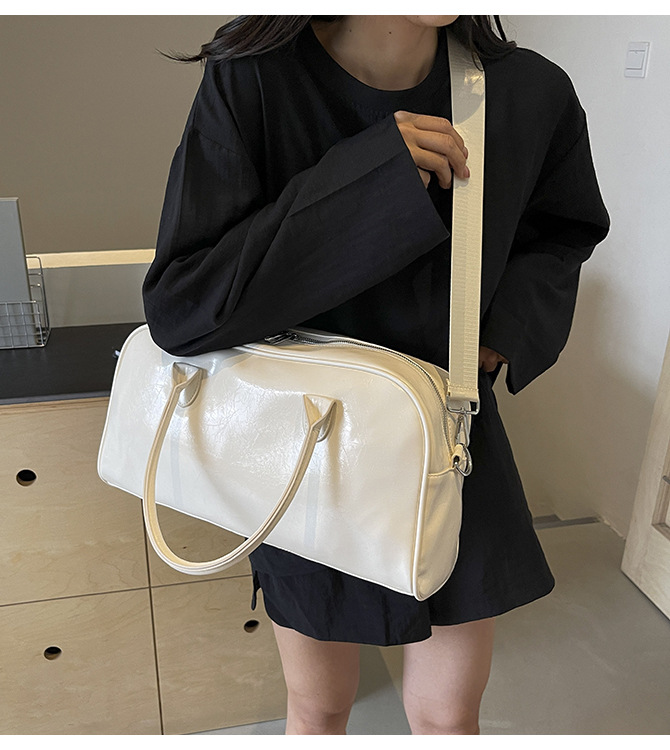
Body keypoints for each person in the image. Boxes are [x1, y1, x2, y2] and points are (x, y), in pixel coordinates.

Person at [143, 15, 610, 735]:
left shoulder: (529, 92)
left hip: (452, 446)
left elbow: (561, 231)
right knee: (320, 707)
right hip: (308, 454)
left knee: (447, 718)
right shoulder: (255, 78)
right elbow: (185, 303)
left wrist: (503, 334)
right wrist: (370, 181)